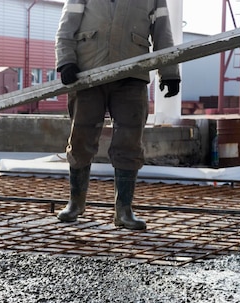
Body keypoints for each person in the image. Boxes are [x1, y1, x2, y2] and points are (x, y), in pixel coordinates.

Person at [55, 0, 180, 230]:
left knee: (129, 141)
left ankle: (124, 210)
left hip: (132, 76)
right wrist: (66, 61)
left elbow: (163, 32)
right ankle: (75, 203)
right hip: (88, 73)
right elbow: (66, 26)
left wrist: (169, 72)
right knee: (81, 137)